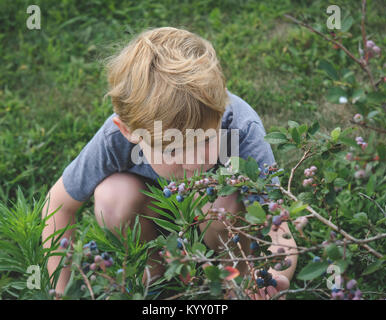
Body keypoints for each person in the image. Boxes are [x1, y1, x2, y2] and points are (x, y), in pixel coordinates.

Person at [42, 27, 297, 299]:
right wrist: (60, 292)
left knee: (222, 202)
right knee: (112, 194)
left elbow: (278, 227)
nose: (193, 163)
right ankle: (154, 280)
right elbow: (58, 204)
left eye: (206, 141)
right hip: (155, 224)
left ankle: (236, 282)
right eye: (173, 150)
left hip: (222, 232)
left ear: (221, 111)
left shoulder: (241, 130)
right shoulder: (115, 137)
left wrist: (274, 275)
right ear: (128, 131)